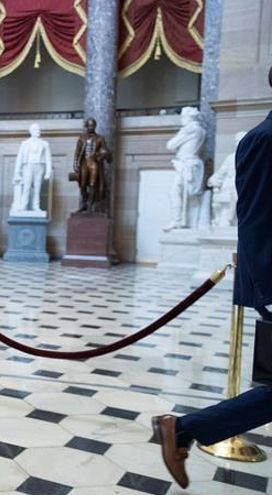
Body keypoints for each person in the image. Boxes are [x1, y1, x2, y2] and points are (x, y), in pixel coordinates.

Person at [153, 66, 272, 490]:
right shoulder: (262, 140)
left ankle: (183, 429)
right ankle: (184, 429)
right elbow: (255, 221)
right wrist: (267, 292)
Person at [71, 117, 111, 214]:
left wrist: (102, 155)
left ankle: (90, 206)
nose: (91, 127)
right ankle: (84, 205)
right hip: (84, 162)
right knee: (83, 184)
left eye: (93, 125)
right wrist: (75, 163)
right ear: (86, 126)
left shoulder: (100, 138)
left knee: (93, 184)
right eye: (89, 125)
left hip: (94, 163)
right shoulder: (81, 138)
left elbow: (105, 150)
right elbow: (77, 152)